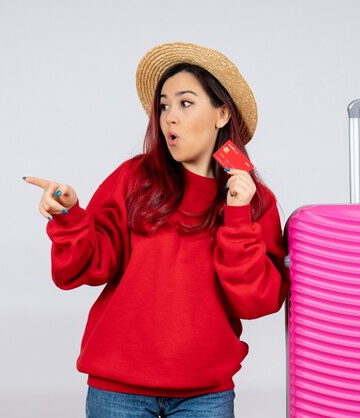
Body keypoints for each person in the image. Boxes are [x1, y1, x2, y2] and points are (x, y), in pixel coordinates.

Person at [24, 42, 289, 418]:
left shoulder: (254, 201)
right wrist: (69, 217)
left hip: (205, 396)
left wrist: (236, 216)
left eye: (185, 103)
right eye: (164, 106)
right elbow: (81, 269)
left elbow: (257, 301)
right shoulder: (134, 179)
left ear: (222, 113)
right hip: (118, 392)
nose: (169, 118)